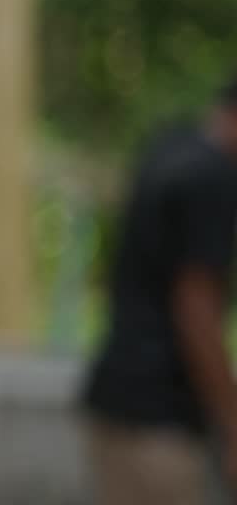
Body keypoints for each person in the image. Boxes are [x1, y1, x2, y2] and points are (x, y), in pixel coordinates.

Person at [84, 75, 237, 505]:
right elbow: (197, 309)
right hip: (161, 418)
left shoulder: (170, 146)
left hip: (112, 396)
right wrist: (232, 421)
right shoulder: (215, 177)